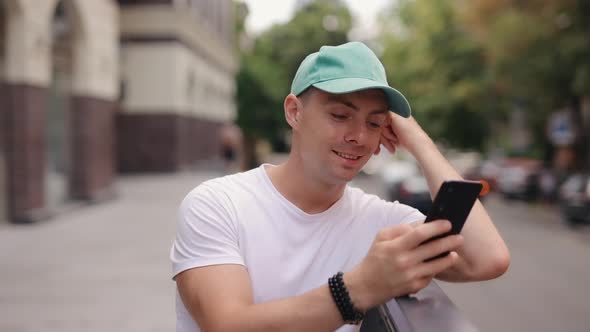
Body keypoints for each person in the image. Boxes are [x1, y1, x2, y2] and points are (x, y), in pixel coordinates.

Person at [170, 42, 510, 332]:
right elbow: (227, 324)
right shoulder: (217, 203)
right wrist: (358, 288)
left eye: (374, 123)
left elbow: (487, 259)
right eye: (339, 115)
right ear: (294, 112)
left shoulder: (381, 222)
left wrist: (419, 142)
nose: (358, 136)